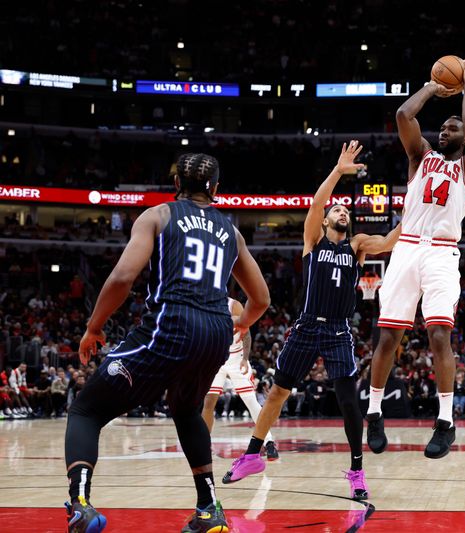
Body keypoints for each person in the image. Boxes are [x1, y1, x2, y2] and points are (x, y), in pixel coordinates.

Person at [65, 153, 270, 533]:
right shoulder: (231, 230)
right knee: (186, 409)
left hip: (172, 325)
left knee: (85, 411)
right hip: (216, 333)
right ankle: (209, 509)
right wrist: (240, 324)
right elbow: (261, 300)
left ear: (176, 185)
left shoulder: (158, 215)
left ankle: (80, 505)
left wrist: (94, 327)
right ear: (216, 190)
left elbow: (123, 277)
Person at [222, 141, 401, 500]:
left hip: (337, 330)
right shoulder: (314, 239)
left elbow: (389, 242)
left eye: (346, 211)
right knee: (277, 393)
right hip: (306, 326)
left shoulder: (358, 246)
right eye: (337, 209)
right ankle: (253, 454)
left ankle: (356, 471)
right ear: (325, 220)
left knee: (349, 402)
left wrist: (415, 214)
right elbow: (318, 203)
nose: (342, 212)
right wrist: (338, 170)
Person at [366, 61, 465, 459]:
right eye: (444, 127)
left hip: (441, 251)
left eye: (451, 128)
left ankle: (445, 421)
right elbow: (404, 115)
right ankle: (373, 411)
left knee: (439, 335)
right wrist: (432, 87)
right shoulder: (420, 156)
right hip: (406, 248)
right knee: (388, 337)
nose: (446, 130)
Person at [202, 297, 279, 460]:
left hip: (236, 358)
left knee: (251, 401)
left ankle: (269, 442)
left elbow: (247, 332)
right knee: (209, 402)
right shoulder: (204, 303)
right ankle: (203, 444)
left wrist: (245, 358)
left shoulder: (233, 305)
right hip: (215, 359)